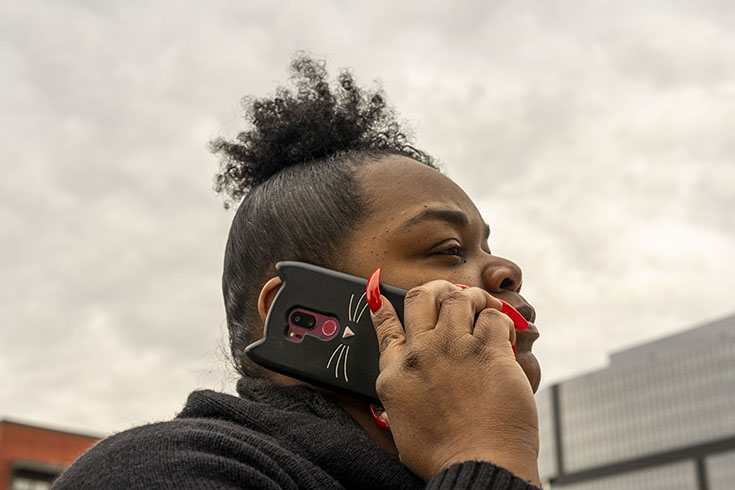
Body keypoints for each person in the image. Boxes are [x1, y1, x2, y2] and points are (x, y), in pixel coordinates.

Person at [53, 55, 542, 489]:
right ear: (298, 311)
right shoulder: (160, 469)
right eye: (449, 248)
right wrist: (485, 456)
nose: (506, 270)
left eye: (487, 246)